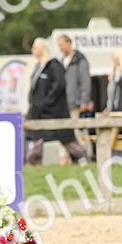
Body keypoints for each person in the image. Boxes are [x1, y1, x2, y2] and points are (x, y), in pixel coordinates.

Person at [25, 37, 89, 166]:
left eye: (35, 48)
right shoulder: (39, 67)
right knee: (36, 137)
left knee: (67, 139)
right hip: (39, 112)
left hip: (54, 111)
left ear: (42, 50)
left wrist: (47, 102)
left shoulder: (53, 65)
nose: (32, 50)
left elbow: (59, 85)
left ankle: (83, 160)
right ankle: (34, 164)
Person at [57, 34, 94, 164]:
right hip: (64, 103)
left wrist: (84, 100)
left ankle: (84, 156)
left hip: (76, 103)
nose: (60, 47)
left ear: (69, 43)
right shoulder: (62, 61)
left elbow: (85, 82)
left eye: (61, 44)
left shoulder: (79, 60)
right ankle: (65, 158)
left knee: (78, 132)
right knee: (64, 132)